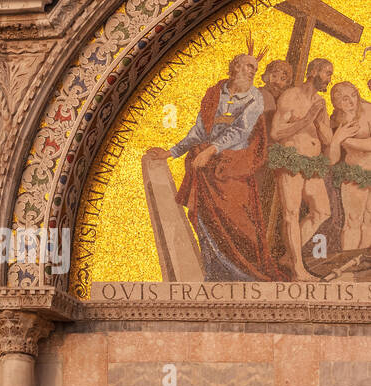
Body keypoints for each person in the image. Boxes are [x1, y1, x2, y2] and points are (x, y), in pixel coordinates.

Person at [152, 53, 280, 281]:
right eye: (249, 66)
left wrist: (211, 150)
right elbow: (200, 130)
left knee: (242, 224)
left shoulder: (254, 97)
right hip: (206, 168)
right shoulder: (215, 93)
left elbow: (241, 129)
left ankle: (247, 274)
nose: (253, 72)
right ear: (236, 66)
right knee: (207, 220)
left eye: (255, 68)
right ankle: (216, 273)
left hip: (234, 167)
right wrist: (171, 152)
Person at [270, 57, 334, 279]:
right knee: (291, 213)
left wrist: (317, 119)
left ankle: (289, 256)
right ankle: (298, 269)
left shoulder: (320, 102)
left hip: (312, 163)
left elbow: (327, 138)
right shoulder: (291, 96)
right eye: (327, 73)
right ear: (314, 71)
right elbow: (276, 133)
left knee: (322, 211)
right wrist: (306, 119)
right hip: (291, 159)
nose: (329, 79)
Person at [329, 82, 371, 253]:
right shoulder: (335, 121)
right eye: (345, 99)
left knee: (369, 219)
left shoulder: (368, 110)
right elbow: (332, 159)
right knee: (353, 220)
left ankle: (363, 261)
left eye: (354, 95)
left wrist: (345, 140)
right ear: (336, 103)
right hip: (354, 172)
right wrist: (336, 140)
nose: (352, 101)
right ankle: (347, 260)